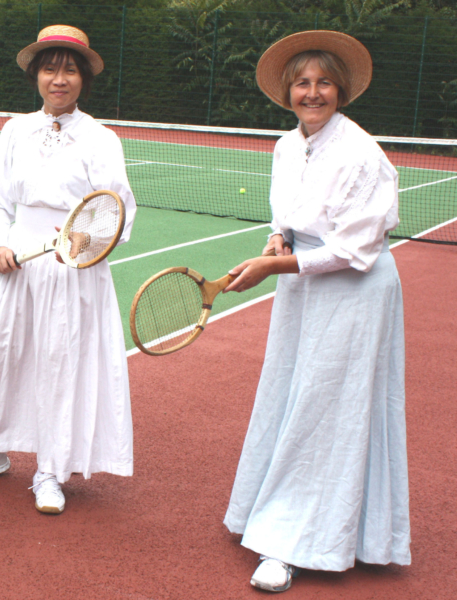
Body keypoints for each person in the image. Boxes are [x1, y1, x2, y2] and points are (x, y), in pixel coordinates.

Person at [221, 31, 409, 593]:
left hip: (355, 290)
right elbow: (290, 214)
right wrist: (278, 238)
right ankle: (324, 526)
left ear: (341, 90)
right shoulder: (286, 145)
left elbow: (354, 251)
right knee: (291, 392)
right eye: (302, 82)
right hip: (303, 283)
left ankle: (292, 543)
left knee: (328, 407)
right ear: (288, 92)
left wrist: (268, 267)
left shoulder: (362, 155)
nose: (313, 92)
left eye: (324, 82)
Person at [0, 25, 137, 514]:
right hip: (19, 265)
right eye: (50, 68)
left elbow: (120, 210)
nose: (59, 79)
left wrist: (85, 240)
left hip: (73, 270)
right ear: (36, 75)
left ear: (82, 80)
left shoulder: (100, 138)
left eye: (69, 70)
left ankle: (50, 470)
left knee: (59, 365)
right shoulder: (14, 130)